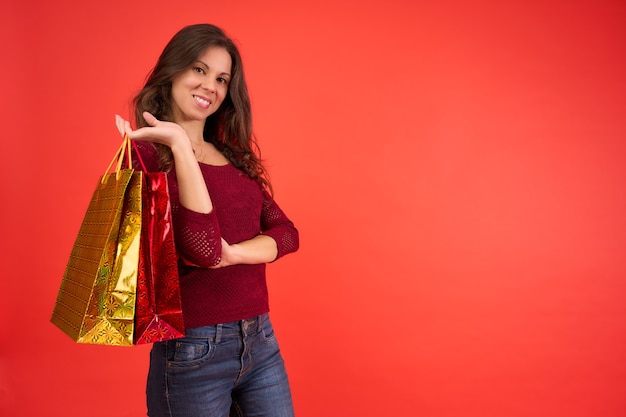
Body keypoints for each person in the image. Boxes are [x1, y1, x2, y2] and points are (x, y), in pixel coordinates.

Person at [114, 24, 299, 417]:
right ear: (174, 70)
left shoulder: (234, 156)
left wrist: (235, 255)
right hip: (193, 351)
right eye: (199, 70)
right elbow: (202, 250)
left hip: (260, 339)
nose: (210, 86)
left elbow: (286, 234)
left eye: (221, 79)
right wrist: (180, 143)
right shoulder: (146, 157)